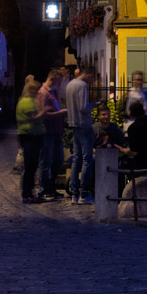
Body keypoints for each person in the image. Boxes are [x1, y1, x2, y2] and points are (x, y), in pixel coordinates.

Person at [64, 66, 96, 204]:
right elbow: (83, 107)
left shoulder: (70, 84)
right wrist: (94, 105)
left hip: (73, 124)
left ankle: (74, 194)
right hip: (84, 124)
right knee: (87, 159)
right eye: (92, 77)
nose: (91, 80)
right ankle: (84, 193)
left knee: (76, 159)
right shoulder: (82, 85)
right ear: (88, 74)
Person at [35, 69, 68, 200]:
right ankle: (44, 189)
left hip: (56, 131)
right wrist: (60, 113)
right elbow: (43, 115)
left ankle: (51, 187)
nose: (59, 85)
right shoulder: (43, 94)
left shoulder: (52, 92)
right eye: (58, 82)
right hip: (47, 132)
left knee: (58, 160)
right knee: (46, 161)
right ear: (52, 79)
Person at [16, 77, 45, 204]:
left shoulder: (26, 101)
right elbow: (34, 118)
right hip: (30, 136)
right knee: (30, 167)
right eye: (36, 90)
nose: (37, 92)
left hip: (30, 135)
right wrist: (45, 111)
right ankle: (27, 194)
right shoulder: (27, 102)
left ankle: (29, 193)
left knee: (31, 167)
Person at [124, 101, 147, 172]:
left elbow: (134, 152)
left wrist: (123, 150)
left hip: (142, 164)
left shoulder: (133, 128)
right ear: (143, 111)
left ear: (130, 113)